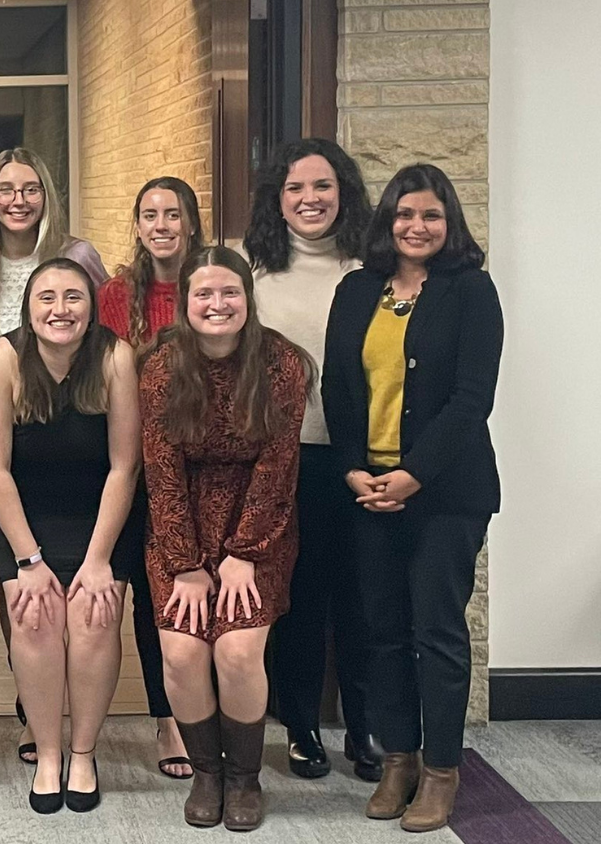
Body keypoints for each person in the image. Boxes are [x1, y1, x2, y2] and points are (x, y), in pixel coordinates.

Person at [323, 164, 502, 834]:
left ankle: (442, 771)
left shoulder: (471, 292)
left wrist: (413, 474)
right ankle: (398, 758)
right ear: (386, 222)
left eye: (430, 215)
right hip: (368, 489)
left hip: (446, 494)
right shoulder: (358, 290)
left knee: (438, 631)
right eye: (404, 215)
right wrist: (350, 469)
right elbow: (337, 390)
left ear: (448, 222)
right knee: (382, 632)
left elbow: (471, 401)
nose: (417, 227)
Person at [140, 245, 311, 832]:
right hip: (179, 526)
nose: (217, 304)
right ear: (185, 303)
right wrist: (185, 563)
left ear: (247, 297)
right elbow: (160, 470)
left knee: (238, 651)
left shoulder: (283, 364)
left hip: (260, 525)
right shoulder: (161, 367)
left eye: (229, 292)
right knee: (183, 652)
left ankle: (243, 778)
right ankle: (206, 774)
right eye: (204, 294)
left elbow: (277, 467)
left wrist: (245, 553)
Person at [0, 257, 141, 814]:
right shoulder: (2, 359)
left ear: (92, 308)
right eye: (47, 297)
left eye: (73, 297)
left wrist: (98, 561)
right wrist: (28, 558)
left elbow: (125, 467)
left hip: (100, 517)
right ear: (28, 307)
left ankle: (84, 752)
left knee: (94, 622)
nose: (60, 309)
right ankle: (48, 754)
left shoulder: (116, 357)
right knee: (36, 619)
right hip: (24, 518)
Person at [244, 138, 383, 782]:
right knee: (298, 600)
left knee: (361, 599)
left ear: (343, 193)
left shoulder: (372, 269)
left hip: (359, 458)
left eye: (322, 186)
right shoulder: (253, 270)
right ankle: (300, 727)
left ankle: (364, 728)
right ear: (278, 199)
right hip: (283, 460)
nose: (309, 200)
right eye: (295, 189)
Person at [94, 176, 206, 780]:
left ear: (190, 222)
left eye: (173, 214)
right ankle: (152, 717)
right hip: (125, 465)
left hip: (195, 470)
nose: (161, 225)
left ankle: (180, 717)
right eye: (149, 215)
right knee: (128, 590)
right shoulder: (115, 295)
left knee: (168, 600)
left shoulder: (211, 285)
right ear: (137, 227)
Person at [0, 147, 108, 345]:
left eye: (31, 190)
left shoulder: (78, 256)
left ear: (46, 196)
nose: (19, 201)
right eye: (5, 190)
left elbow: (107, 325)